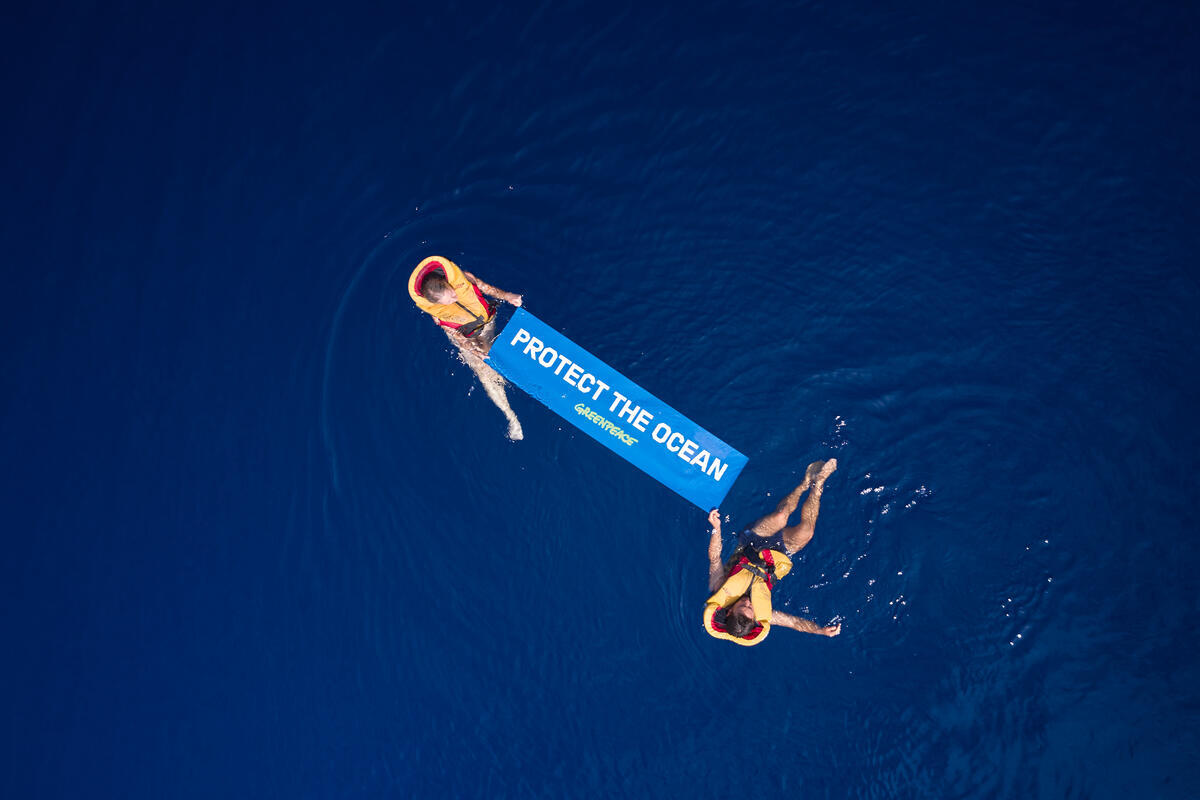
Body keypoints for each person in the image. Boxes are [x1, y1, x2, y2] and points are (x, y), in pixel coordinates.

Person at [703, 459, 842, 646]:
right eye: (750, 608)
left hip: (752, 543)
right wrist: (820, 630)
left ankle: (804, 484)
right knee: (807, 532)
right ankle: (819, 483)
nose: (748, 603)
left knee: (781, 517)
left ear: (728, 611)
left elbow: (714, 557)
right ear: (754, 619)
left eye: (742, 606)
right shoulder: (764, 615)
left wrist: (716, 528)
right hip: (776, 559)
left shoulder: (719, 588)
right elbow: (794, 622)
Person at [408, 256, 525, 440]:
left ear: (448, 283)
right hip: (467, 337)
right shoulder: (438, 315)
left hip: (486, 323)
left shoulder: (463, 277)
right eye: (446, 302)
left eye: (453, 294)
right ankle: (511, 417)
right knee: (484, 372)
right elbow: (459, 338)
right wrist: (476, 353)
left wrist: (508, 296)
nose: (453, 300)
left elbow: (485, 288)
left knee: (494, 359)